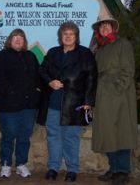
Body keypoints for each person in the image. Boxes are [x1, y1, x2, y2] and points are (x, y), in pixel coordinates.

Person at [37, 21, 97, 182]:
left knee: (71, 138)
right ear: (60, 36)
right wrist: (50, 81)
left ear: (76, 37)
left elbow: (92, 78)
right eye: (65, 34)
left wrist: (89, 101)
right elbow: (42, 71)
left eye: (71, 34)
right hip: (53, 103)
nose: (68, 36)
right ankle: (53, 168)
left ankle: (72, 169)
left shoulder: (85, 53)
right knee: (53, 136)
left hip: (75, 103)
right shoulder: (52, 52)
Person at [91, 16, 138, 185]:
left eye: (107, 26)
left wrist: (119, 88)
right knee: (107, 131)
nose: (104, 29)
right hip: (103, 94)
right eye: (101, 26)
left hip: (120, 95)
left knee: (122, 130)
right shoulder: (101, 48)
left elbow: (128, 69)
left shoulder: (122, 44)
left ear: (113, 28)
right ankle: (114, 168)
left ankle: (123, 171)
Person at [0, 29, 42, 178]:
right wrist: (9, 93)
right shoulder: (2, 56)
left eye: (21, 37)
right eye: (15, 37)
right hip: (8, 106)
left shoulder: (31, 56)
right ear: (10, 40)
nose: (18, 39)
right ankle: (6, 165)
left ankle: (21, 164)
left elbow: (38, 77)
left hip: (28, 107)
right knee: (8, 135)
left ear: (24, 41)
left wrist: (36, 93)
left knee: (24, 136)